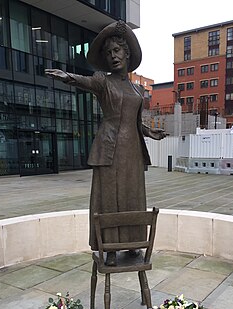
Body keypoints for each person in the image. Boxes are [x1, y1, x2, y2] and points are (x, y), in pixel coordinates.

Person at [45, 20, 165, 266]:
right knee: (109, 198)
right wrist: (67, 76)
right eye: (109, 53)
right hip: (109, 148)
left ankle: (132, 244)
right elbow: (84, 81)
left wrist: (150, 133)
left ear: (127, 54)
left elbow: (134, 120)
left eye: (117, 51)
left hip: (132, 151)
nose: (113, 56)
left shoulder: (136, 90)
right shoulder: (103, 81)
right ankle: (109, 248)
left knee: (132, 196)